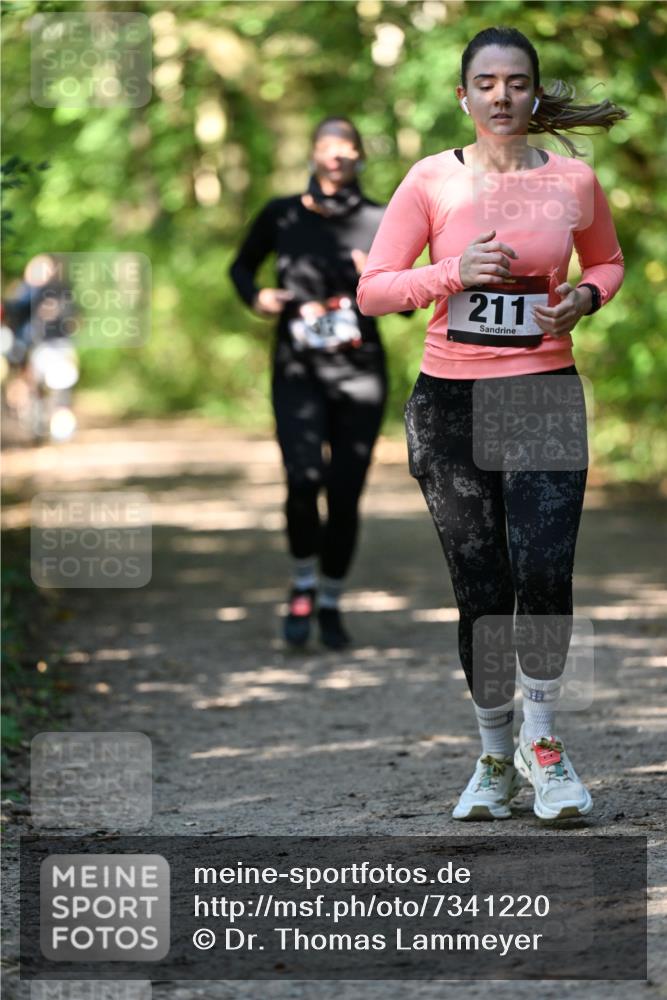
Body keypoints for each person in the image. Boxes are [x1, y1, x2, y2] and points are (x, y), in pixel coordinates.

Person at [357, 27, 625, 820]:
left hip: (541, 394)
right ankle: (492, 755)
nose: (501, 95)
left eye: (515, 82)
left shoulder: (574, 180)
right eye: (486, 83)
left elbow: (607, 261)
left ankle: (545, 750)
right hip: (450, 405)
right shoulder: (429, 180)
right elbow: (373, 290)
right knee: (481, 587)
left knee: (544, 572)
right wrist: (451, 272)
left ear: (533, 94)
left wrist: (587, 297)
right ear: (463, 97)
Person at [229, 117, 410, 650]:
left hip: (359, 371)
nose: (338, 157)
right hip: (297, 369)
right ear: (313, 155)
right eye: (328, 148)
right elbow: (240, 267)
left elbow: (403, 305)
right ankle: (303, 585)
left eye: (348, 148)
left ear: (359, 157)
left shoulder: (381, 220)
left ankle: (331, 600)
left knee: (347, 492)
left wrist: (371, 283)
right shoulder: (282, 214)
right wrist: (257, 297)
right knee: (304, 478)